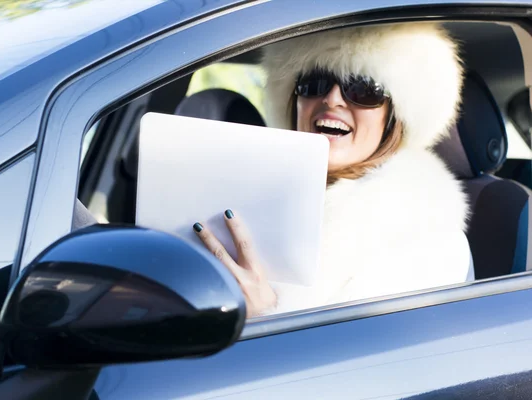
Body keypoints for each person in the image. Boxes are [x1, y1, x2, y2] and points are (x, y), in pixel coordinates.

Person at [192, 22, 475, 318]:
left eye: (364, 89)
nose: (331, 99)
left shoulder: (431, 236)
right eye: (313, 83)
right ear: (293, 101)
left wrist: (263, 318)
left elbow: (371, 360)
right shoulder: (253, 199)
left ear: (394, 117)